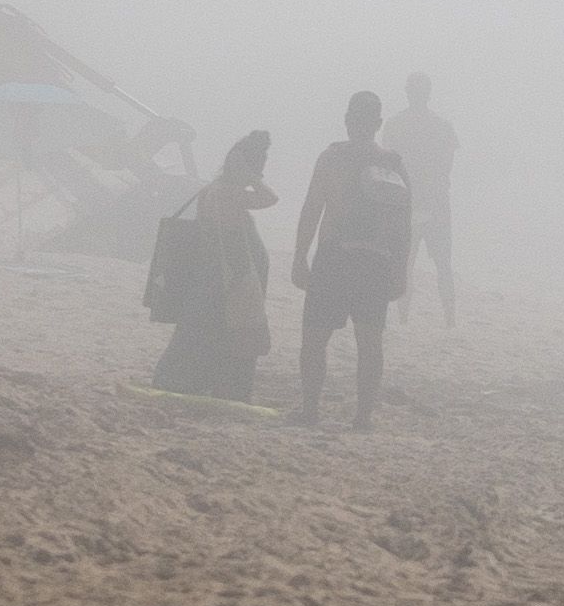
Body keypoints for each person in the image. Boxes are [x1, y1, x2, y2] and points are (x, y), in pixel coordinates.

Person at [291, 92, 413, 429]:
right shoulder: (393, 163)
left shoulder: (332, 158)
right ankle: (362, 417)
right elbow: (404, 224)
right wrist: (400, 270)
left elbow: (312, 209)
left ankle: (310, 410)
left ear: (347, 120)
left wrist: (300, 256)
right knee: (370, 341)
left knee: (315, 337)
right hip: (375, 260)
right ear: (378, 123)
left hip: (335, 256)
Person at [155, 131, 275, 401]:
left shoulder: (226, 191)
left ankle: (210, 383)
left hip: (225, 276)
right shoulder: (223, 193)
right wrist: (241, 281)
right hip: (224, 277)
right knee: (212, 331)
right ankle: (196, 383)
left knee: (214, 331)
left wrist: (252, 176)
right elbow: (229, 242)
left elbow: (269, 199)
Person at [386, 73, 460, 328]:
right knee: (436, 264)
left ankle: (411, 318)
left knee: (409, 263)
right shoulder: (441, 126)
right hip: (428, 202)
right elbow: (446, 167)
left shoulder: (396, 125)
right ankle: (448, 319)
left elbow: (390, 167)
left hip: (412, 202)